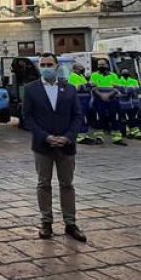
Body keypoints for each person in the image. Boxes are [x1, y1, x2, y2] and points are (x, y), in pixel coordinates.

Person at [19, 53, 87, 242]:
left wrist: (68, 137)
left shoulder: (70, 89)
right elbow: (28, 117)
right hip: (43, 145)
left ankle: (70, 222)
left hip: (66, 145)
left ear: (57, 66)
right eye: (43, 64)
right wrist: (46, 137)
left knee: (67, 184)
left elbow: (77, 116)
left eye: (50, 64)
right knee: (44, 183)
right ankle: (46, 221)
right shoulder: (31, 89)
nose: (46, 67)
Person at [88, 59, 124, 145]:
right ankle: (99, 137)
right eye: (99, 64)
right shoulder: (94, 75)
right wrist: (101, 95)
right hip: (99, 100)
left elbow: (117, 88)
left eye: (103, 64)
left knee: (114, 117)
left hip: (112, 100)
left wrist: (108, 95)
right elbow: (93, 88)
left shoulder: (113, 76)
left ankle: (117, 138)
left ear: (107, 65)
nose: (101, 66)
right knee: (99, 118)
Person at [69, 65, 95, 144]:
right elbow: (78, 88)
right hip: (79, 99)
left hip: (85, 99)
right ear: (74, 69)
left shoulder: (81, 76)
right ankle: (80, 136)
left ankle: (84, 134)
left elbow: (87, 85)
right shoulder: (73, 76)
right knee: (81, 117)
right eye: (80, 68)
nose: (82, 69)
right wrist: (87, 86)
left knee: (86, 117)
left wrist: (88, 85)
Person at [117, 68, 141, 140]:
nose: (125, 73)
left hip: (133, 104)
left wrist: (127, 91)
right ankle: (129, 133)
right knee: (124, 119)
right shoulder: (118, 81)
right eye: (124, 72)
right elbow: (121, 92)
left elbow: (137, 90)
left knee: (132, 119)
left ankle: (135, 133)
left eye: (126, 72)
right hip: (123, 104)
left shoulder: (134, 81)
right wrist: (130, 90)